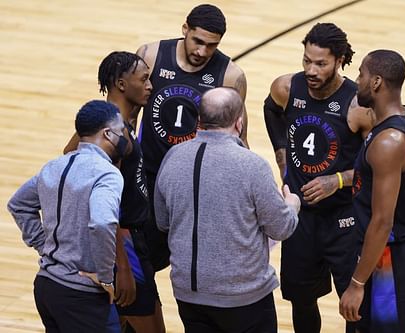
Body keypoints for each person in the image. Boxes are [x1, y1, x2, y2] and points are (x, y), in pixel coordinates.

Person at [154, 87, 301, 333]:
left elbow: (162, 221)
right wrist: (292, 205)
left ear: (199, 120)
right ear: (239, 123)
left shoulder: (173, 156)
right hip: (243, 296)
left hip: (189, 294)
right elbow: (281, 227)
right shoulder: (252, 166)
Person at [263, 22, 373, 332]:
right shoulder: (286, 88)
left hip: (344, 218)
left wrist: (336, 181)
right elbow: (271, 112)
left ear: (339, 61)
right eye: (306, 61)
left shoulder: (358, 105)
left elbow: (375, 167)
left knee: (354, 305)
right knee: (301, 299)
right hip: (301, 217)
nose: (311, 70)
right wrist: (282, 157)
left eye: (321, 63)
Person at [136, 4, 249, 272]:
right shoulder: (150, 55)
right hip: (148, 175)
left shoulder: (230, 75)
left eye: (211, 45)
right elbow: (127, 114)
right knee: (142, 259)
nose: (202, 51)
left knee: (192, 264)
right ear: (185, 29)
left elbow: (239, 136)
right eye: (197, 41)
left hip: (197, 182)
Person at [64, 51, 166, 333]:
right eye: (144, 80)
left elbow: (69, 152)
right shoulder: (114, 134)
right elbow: (105, 207)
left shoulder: (109, 118)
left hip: (130, 241)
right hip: (125, 245)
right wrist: (121, 267)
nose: (150, 86)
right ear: (121, 84)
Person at [7, 100, 124, 333]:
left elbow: (18, 204)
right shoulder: (107, 174)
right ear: (108, 134)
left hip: (46, 286)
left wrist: (45, 246)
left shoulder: (53, 166)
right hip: (81, 295)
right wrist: (106, 278)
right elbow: (102, 223)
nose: (124, 137)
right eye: (121, 132)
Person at [339, 50, 405, 333]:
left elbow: (382, 221)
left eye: (362, 75)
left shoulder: (388, 142)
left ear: (376, 82)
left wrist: (356, 284)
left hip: (388, 257)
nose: (357, 80)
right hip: (396, 248)